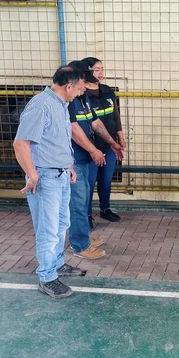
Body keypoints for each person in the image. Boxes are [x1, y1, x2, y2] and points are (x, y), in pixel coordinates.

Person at [13, 66, 86, 299]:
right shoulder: (41, 105)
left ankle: (57, 264)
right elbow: (21, 143)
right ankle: (47, 277)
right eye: (80, 88)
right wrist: (32, 174)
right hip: (45, 178)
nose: (81, 92)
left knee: (62, 223)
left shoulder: (61, 105)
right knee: (48, 229)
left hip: (60, 174)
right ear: (69, 86)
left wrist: (68, 166)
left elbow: (56, 141)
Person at [66, 60, 123, 259]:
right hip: (74, 159)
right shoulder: (69, 101)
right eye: (85, 82)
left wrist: (112, 143)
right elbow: (74, 130)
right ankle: (80, 246)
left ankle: (83, 237)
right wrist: (93, 150)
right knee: (78, 202)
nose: (87, 86)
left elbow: (95, 123)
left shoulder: (83, 98)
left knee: (82, 200)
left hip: (85, 158)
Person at [82, 57, 126, 224]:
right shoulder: (81, 94)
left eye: (102, 69)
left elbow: (115, 115)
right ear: (87, 72)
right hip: (91, 147)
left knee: (106, 179)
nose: (101, 73)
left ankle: (105, 209)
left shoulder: (107, 90)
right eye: (97, 70)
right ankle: (86, 215)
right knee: (89, 181)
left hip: (110, 145)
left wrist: (121, 137)